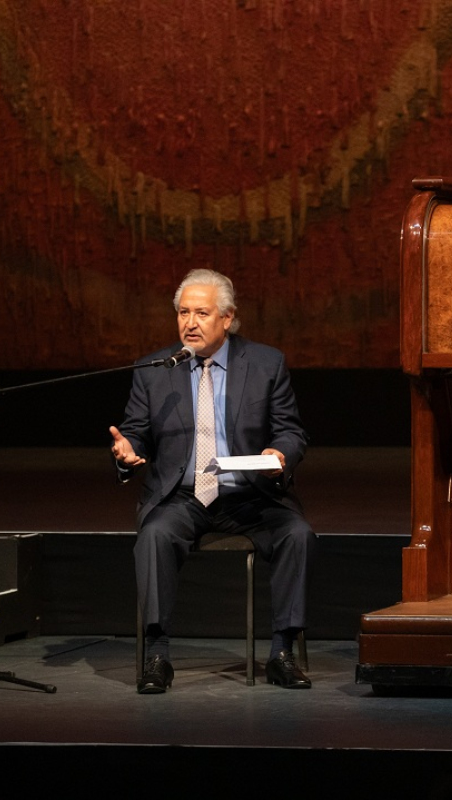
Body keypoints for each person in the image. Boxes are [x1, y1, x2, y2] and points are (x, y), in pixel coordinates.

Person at [107, 268, 314, 694]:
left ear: (227, 317)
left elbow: (291, 432)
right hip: (182, 498)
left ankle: (282, 652)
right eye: (183, 312)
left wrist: (280, 454)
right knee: (154, 536)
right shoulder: (154, 369)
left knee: (297, 535)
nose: (190, 323)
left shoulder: (265, 363)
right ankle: (157, 655)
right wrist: (127, 452)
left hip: (250, 497)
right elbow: (135, 432)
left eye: (201, 313)